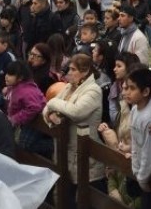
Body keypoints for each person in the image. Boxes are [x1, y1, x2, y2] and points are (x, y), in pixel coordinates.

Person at [43, 53, 107, 208]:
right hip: (65, 150)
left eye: (73, 69)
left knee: (90, 195)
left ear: (84, 71)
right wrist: (51, 116)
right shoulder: (68, 86)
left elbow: (76, 112)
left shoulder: (93, 90)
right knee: (67, 194)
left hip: (85, 152)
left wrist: (53, 103)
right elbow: (46, 109)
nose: (68, 73)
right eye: (69, 69)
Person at [126, 66, 151, 209]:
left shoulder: (150, 116)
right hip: (139, 172)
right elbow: (135, 142)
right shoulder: (134, 109)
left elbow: (150, 150)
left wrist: (142, 178)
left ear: (145, 91)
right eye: (127, 88)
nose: (127, 92)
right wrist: (135, 168)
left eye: (132, 88)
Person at [2, 60, 47, 151]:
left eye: (10, 74)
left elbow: (34, 108)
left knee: (24, 144)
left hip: (37, 120)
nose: (6, 76)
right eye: (7, 73)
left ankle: (51, 147)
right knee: (16, 141)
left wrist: (16, 118)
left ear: (20, 78)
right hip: (26, 121)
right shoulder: (15, 87)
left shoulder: (27, 91)